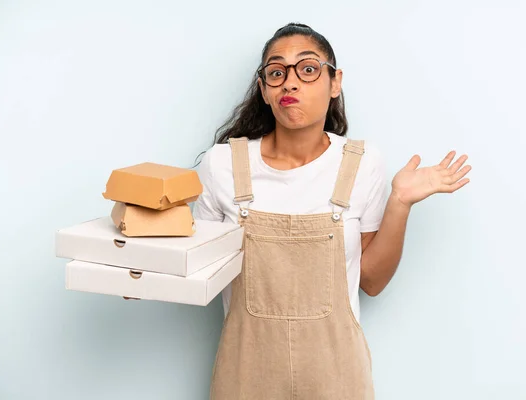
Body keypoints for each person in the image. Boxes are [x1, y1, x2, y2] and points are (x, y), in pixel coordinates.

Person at [193, 22, 471, 400]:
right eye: (276, 73)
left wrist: (400, 203)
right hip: (246, 378)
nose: (290, 83)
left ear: (334, 82)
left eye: (307, 70)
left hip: (337, 377)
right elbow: (196, 270)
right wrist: (140, 274)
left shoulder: (361, 163)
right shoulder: (222, 164)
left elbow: (371, 281)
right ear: (264, 89)